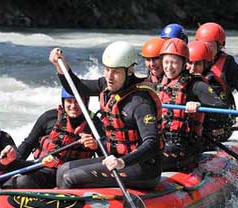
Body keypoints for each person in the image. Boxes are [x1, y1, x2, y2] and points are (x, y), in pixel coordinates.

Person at [49, 41, 164, 190]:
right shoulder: (108, 86)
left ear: (129, 71)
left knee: (69, 177)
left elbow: (152, 143)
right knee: (63, 169)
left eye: (115, 71)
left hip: (143, 169)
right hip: (116, 160)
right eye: (107, 70)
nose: (110, 76)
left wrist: (123, 162)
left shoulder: (140, 102)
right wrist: (61, 66)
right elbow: (77, 87)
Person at [4, 88, 101, 188]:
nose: (73, 106)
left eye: (77, 101)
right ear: (63, 102)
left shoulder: (95, 124)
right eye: (69, 101)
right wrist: (13, 166)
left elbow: (106, 156)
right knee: (21, 182)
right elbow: (27, 144)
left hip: (74, 176)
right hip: (45, 171)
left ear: (85, 102)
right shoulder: (49, 117)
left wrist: (96, 145)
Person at [156, 38, 228, 172]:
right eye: (166, 62)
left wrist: (199, 105)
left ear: (183, 63)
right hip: (163, 141)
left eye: (174, 62)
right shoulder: (161, 84)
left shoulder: (196, 85)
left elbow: (223, 110)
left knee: (151, 159)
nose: (169, 67)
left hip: (186, 147)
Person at [195, 22, 238, 130]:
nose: (206, 51)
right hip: (196, 117)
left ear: (220, 46)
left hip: (221, 122)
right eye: (203, 46)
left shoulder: (230, 66)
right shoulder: (191, 62)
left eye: (209, 46)